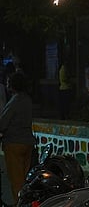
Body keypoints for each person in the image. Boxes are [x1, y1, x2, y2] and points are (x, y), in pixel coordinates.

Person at [0, 71, 36, 202]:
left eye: (9, 81)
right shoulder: (27, 99)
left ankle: (19, 204)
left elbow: (3, 123)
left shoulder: (14, 100)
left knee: (16, 182)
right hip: (28, 143)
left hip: (14, 143)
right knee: (24, 179)